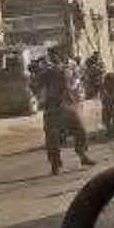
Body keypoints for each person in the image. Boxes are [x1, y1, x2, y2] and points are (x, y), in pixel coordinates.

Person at [37, 46, 93, 174]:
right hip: (53, 107)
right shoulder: (47, 71)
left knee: (81, 131)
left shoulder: (67, 68)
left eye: (56, 55)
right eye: (52, 55)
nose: (54, 57)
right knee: (52, 137)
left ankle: (82, 156)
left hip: (68, 105)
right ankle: (55, 165)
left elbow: (77, 81)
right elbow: (36, 85)